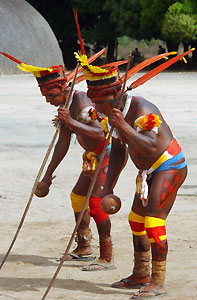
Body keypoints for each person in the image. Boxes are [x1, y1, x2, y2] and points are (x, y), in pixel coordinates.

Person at [75, 52, 187, 298]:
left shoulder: (141, 108)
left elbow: (149, 146)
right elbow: (117, 152)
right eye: (93, 102)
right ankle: (141, 273)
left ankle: (158, 281)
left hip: (169, 166)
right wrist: (107, 187)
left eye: (100, 103)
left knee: (153, 221)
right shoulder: (110, 115)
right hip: (147, 171)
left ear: (115, 96)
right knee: (136, 220)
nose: (96, 108)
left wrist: (123, 125)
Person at [33, 64, 120, 271]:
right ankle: (84, 246)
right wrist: (47, 176)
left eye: (51, 95)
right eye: (45, 96)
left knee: (97, 202)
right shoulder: (65, 109)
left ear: (63, 87)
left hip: (107, 154)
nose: (48, 100)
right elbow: (62, 144)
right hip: (91, 158)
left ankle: (107, 256)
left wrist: (70, 121)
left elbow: (101, 134)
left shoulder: (81, 103)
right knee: (77, 197)